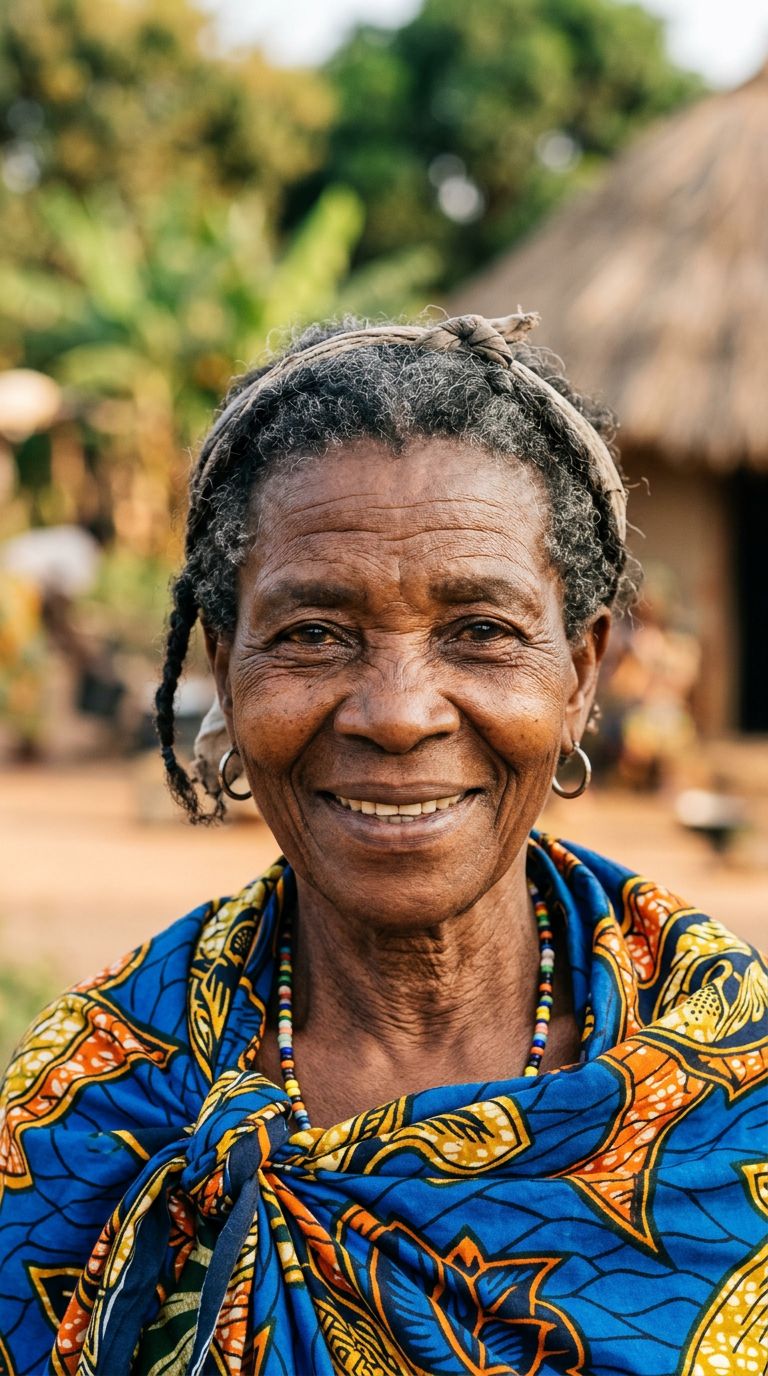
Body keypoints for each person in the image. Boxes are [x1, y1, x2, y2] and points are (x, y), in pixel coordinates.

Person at [0, 314, 765, 1376]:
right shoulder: (90, 1107)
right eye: (313, 632)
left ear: (582, 673)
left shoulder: (735, 1082)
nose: (398, 713)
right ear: (227, 669)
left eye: (482, 631)